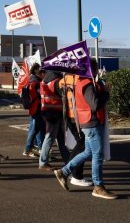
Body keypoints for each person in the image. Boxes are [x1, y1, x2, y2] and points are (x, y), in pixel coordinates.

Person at [53, 59, 118, 200]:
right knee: (98, 155)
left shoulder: (81, 81)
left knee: (88, 151)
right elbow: (95, 104)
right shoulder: (87, 84)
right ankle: (98, 186)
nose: (97, 72)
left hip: (87, 121)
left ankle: (64, 172)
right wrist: (106, 93)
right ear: (91, 70)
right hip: (91, 122)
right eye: (95, 69)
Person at [23, 63, 46, 157]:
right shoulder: (36, 82)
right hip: (37, 108)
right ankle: (28, 149)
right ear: (36, 70)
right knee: (35, 130)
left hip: (34, 108)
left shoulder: (31, 80)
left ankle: (39, 148)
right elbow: (41, 94)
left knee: (37, 129)